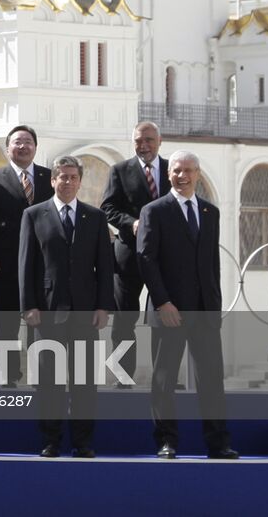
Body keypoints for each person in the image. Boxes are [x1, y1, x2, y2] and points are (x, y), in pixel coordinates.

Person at [136, 150, 236, 459]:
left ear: (198, 173)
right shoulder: (154, 210)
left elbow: (211, 265)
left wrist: (214, 306)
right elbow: (146, 259)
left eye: (189, 170)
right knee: (165, 379)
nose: (183, 175)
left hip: (204, 312)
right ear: (168, 174)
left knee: (211, 380)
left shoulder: (210, 212)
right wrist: (163, 302)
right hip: (169, 312)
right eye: (177, 170)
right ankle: (167, 441)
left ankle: (218, 444)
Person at [18, 155, 113, 458]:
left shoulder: (95, 217)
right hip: (47, 312)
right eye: (63, 176)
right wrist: (28, 306)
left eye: (73, 177)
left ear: (80, 181)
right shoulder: (34, 215)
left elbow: (104, 266)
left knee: (85, 383)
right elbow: (26, 264)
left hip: (86, 313)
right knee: (50, 382)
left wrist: (102, 307)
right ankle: (51, 441)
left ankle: (83, 442)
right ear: (53, 180)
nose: (68, 182)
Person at [0, 124, 51, 386]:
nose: (23, 146)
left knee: (39, 323)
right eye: (17, 142)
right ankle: (7, 376)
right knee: (7, 324)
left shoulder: (48, 177)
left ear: (35, 147)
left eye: (28, 142)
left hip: (41, 265)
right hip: (6, 265)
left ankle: (38, 374)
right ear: (8, 148)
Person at [100, 121, 164, 385]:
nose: (144, 145)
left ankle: (165, 375)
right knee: (124, 318)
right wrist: (131, 222)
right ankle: (123, 377)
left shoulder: (173, 170)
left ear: (159, 141)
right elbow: (107, 207)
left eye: (149, 140)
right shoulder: (120, 170)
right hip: (128, 254)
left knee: (164, 316)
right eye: (138, 140)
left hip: (164, 256)